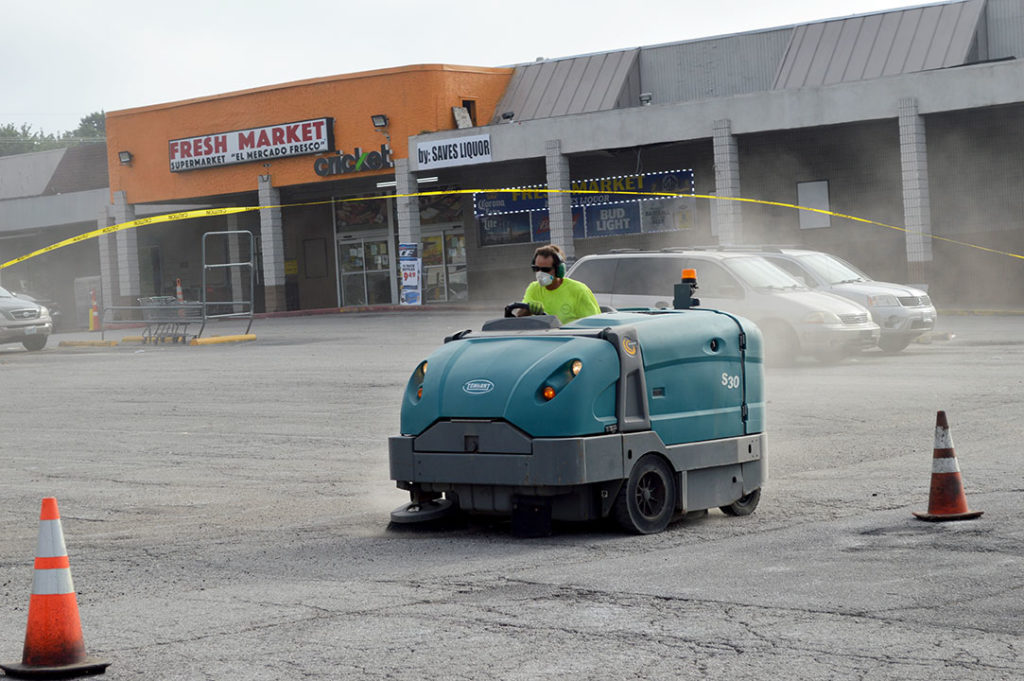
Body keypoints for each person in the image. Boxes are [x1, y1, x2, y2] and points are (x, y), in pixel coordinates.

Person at [517, 244, 601, 324]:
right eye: (536, 268)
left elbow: (593, 324)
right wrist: (527, 310)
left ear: (559, 270)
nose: (540, 273)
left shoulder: (578, 291)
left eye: (546, 270)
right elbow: (519, 317)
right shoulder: (533, 288)